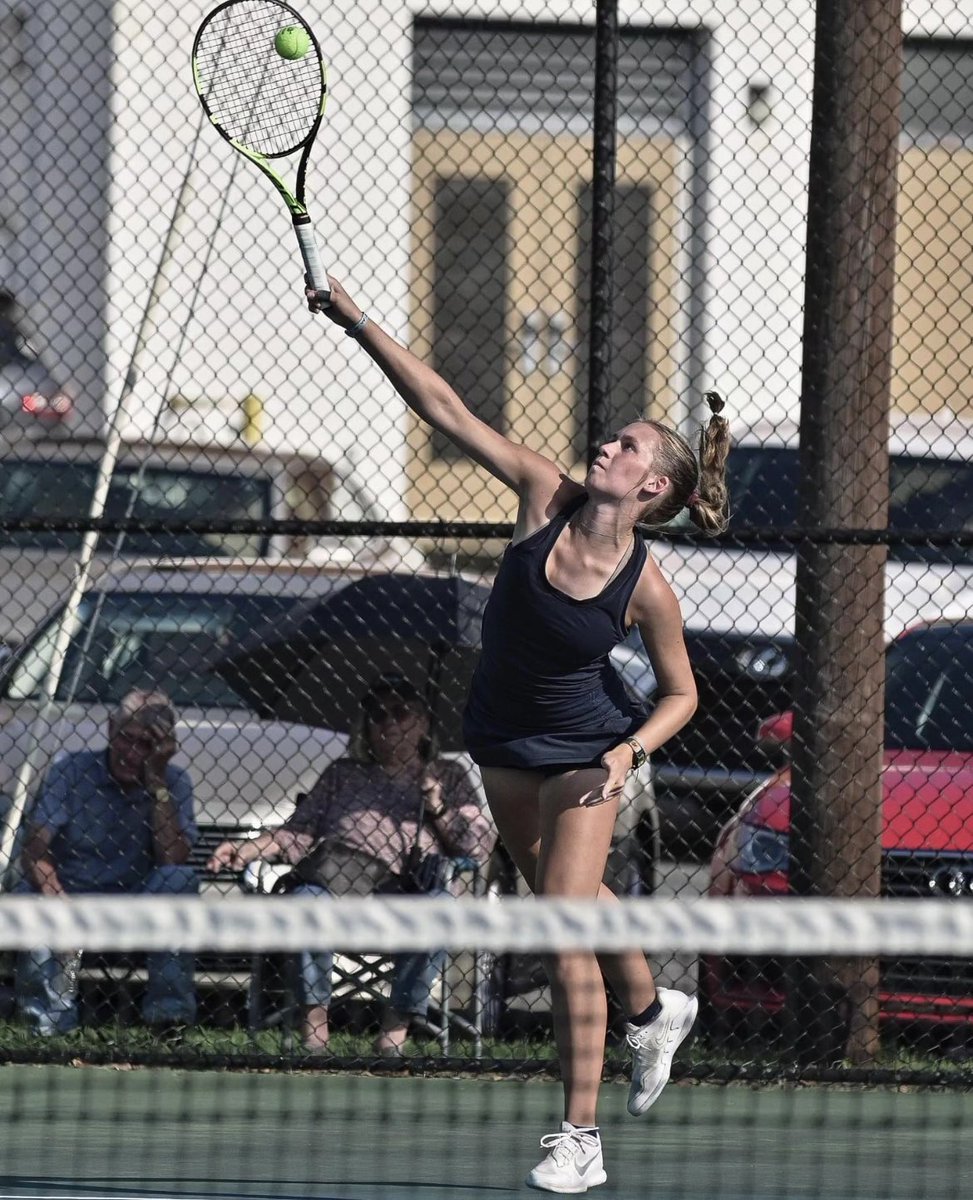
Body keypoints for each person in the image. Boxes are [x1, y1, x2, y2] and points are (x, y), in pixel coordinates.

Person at [307, 279, 730, 1193]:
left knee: (562, 924)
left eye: (625, 443)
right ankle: (656, 1008)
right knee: (562, 895)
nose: (605, 444)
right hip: (500, 737)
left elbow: (682, 694)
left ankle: (579, 1137)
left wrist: (628, 752)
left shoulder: (646, 587)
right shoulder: (543, 496)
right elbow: (445, 407)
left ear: (651, 485)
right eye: (609, 435)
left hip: (588, 753)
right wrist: (356, 317)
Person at [206, 673, 496, 1055]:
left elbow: (476, 847)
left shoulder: (448, 775)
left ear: (423, 722)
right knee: (304, 902)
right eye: (377, 715)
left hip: (408, 897)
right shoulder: (343, 775)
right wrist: (249, 848)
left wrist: (437, 805)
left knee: (441, 908)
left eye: (400, 713)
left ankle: (395, 1030)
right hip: (337, 889)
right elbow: (299, 832)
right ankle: (315, 1026)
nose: (388, 723)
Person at [16, 689, 199, 1035]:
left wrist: (157, 782)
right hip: (69, 891)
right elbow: (35, 851)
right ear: (110, 728)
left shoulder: (174, 782)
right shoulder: (70, 771)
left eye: (145, 745)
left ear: (163, 748)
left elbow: (172, 859)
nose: (131, 753)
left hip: (134, 901)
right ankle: (51, 1024)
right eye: (125, 739)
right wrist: (60, 903)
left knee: (180, 879)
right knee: (30, 893)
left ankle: (167, 1020)